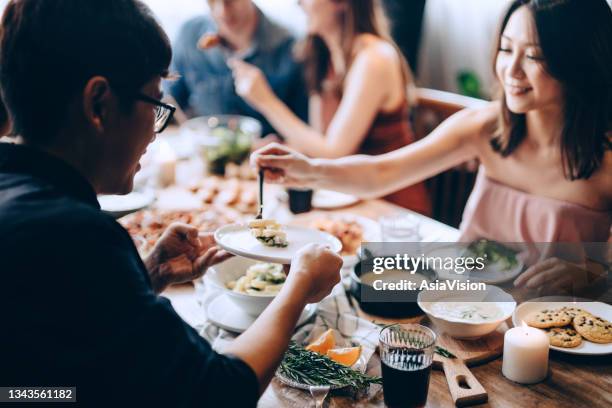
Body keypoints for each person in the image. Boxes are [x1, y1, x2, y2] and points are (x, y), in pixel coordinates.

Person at [0, 1, 341, 407]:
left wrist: (145, 277)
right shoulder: (78, 236)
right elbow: (217, 391)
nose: (156, 133)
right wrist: (299, 284)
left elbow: (60, 352)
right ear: (99, 105)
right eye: (156, 105)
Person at [252, 0, 612, 292]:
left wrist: (591, 272)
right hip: (463, 300)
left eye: (534, 56)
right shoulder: (484, 127)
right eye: (505, 49)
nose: (511, 70)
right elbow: (382, 172)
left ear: (578, 62)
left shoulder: (606, 160)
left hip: (561, 327)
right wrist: (307, 170)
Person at [230, 0, 432, 215]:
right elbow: (319, 143)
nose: (298, 3)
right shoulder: (323, 55)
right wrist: (283, 148)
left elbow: (334, 153)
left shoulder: (374, 58)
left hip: (392, 208)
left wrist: (265, 101)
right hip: (348, 197)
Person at [166, 0, 308, 137]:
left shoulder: (292, 49)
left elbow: (307, 134)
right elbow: (168, 104)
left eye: (231, 0)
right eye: (212, 1)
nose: (221, 11)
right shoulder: (189, 36)